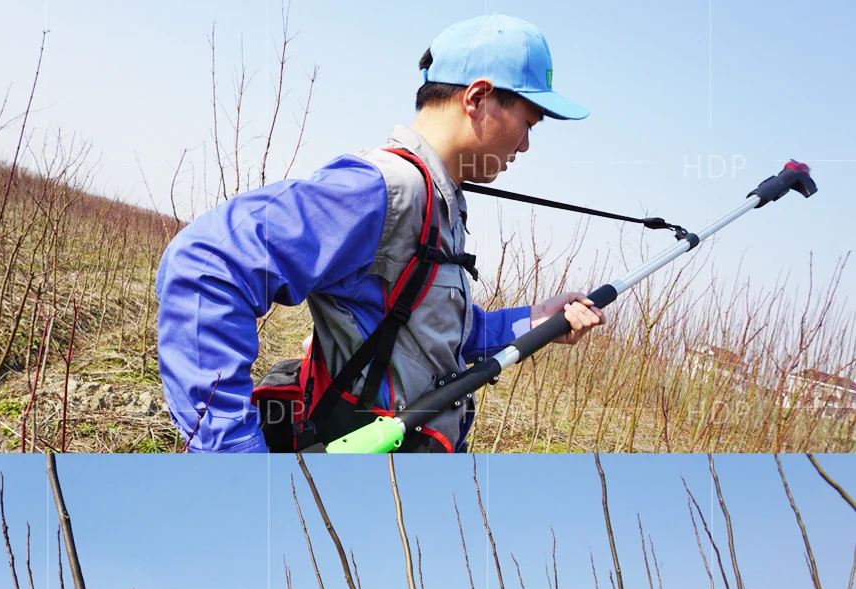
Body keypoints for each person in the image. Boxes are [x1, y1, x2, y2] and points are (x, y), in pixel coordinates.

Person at [156, 14, 605, 452]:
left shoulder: (438, 203)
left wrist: (534, 321)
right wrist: (234, 453)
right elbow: (205, 265)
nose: (525, 144)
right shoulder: (386, 191)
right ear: (478, 98)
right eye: (528, 122)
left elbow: (431, 334)